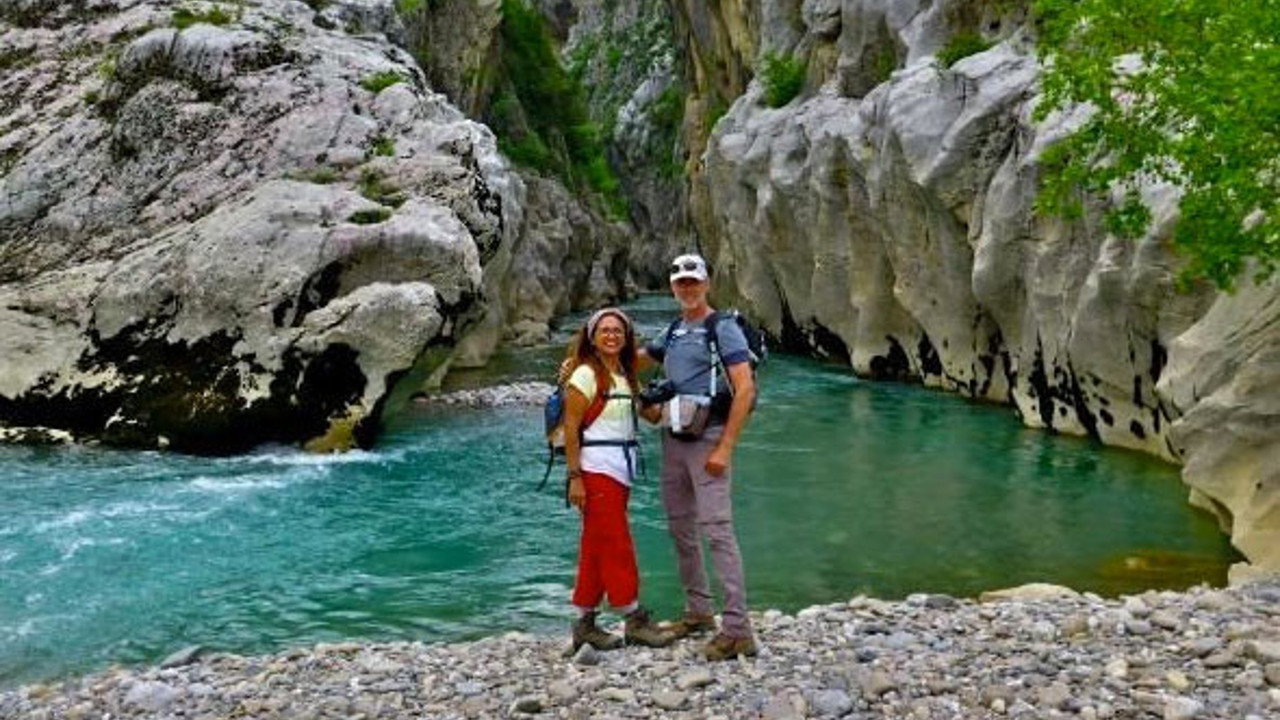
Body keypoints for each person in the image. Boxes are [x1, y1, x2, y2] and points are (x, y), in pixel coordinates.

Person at [642, 253, 759, 661]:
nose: (688, 288)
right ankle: (699, 612)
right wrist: (589, 356)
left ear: (707, 284)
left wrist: (725, 447)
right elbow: (638, 358)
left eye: (694, 281)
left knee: (717, 532)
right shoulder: (673, 330)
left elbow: (745, 388)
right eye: (681, 282)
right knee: (681, 530)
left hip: (709, 438)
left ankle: (738, 630)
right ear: (673, 287)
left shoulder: (721, 328)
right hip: (673, 439)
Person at [561, 307, 672, 652]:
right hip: (596, 470)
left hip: (620, 471)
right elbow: (570, 429)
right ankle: (633, 617)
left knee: (596, 546)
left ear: (626, 338)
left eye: (618, 331)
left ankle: (584, 624)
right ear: (592, 338)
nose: (612, 335)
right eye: (605, 330)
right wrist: (575, 478)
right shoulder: (584, 375)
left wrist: (675, 396)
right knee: (617, 543)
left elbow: (651, 416)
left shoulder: (625, 375)